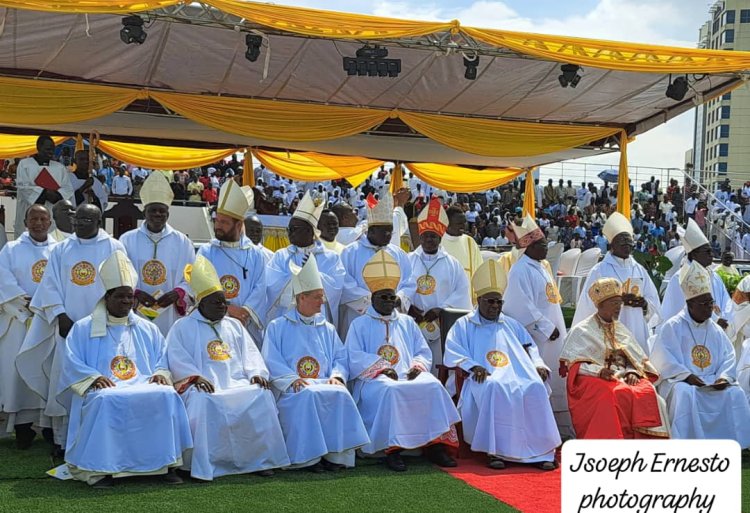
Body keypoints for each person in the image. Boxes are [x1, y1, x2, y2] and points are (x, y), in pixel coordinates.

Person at [57, 251, 193, 487]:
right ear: (107, 297)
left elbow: (162, 356)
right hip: (104, 386)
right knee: (104, 400)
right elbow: (71, 359)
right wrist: (92, 377)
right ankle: (102, 469)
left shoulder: (146, 327)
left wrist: (161, 373)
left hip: (142, 383)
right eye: (120, 297)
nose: (126, 302)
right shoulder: (84, 327)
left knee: (167, 395)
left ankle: (164, 465)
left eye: (130, 297)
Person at [166, 256, 289, 481]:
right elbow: (176, 358)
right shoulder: (182, 327)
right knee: (201, 400)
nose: (223, 307)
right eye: (217, 303)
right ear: (200, 303)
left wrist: (256, 374)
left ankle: (259, 460)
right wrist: (194, 377)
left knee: (261, 394)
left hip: (237, 383)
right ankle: (203, 463)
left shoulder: (234, 325)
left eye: (225, 302)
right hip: (204, 386)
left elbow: (252, 355)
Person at [17, 204, 125, 452]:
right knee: (65, 379)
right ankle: (62, 440)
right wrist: (59, 315)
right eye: (77, 218)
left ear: (99, 221)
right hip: (68, 326)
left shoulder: (114, 247)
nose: (78, 223)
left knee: (101, 380)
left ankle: (102, 437)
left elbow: (122, 284)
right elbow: (50, 285)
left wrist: (109, 315)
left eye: (86, 219)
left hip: (103, 327)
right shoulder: (60, 249)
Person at [346, 250, 460, 472]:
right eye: (384, 297)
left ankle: (435, 445)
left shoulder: (407, 322)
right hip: (374, 380)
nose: (389, 302)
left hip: (407, 373)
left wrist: (417, 366)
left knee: (433, 385)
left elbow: (422, 351)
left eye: (392, 297)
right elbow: (353, 356)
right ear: (373, 298)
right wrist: (381, 368)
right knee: (390, 391)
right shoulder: (359, 324)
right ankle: (393, 449)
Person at [444, 259, 561, 470]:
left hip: (516, 374)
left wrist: (538, 364)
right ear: (479, 300)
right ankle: (494, 451)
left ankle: (541, 452)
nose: (495, 306)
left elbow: (530, 346)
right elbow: (453, 350)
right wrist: (472, 366)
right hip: (483, 377)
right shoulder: (464, 325)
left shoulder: (511, 323)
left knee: (535, 386)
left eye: (499, 302)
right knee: (495, 388)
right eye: (490, 302)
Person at [262, 257, 369, 471]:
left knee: (340, 394)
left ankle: (335, 456)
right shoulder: (277, 326)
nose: (323, 302)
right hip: (295, 388)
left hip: (323, 381)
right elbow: (270, 359)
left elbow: (340, 357)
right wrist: (292, 380)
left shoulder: (327, 327)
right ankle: (308, 458)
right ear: (301, 297)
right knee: (308, 396)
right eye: (318, 297)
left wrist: (337, 376)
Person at [651, 262, 750, 446]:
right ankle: (687, 441)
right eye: (704, 304)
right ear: (690, 303)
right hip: (682, 381)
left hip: (713, 380)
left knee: (735, 393)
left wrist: (724, 377)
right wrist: (687, 376)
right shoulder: (673, 326)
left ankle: (738, 442)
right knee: (685, 394)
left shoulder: (714, 329)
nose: (709, 308)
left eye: (710, 303)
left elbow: (728, 356)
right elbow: (663, 359)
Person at [561, 278, 670, 439]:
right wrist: (599, 372)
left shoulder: (620, 328)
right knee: (615, 394)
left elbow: (633, 357)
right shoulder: (582, 330)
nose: (618, 308)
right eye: (614, 304)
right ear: (600, 305)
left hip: (622, 376)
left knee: (650, 392)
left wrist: (633, 371)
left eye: (619, 304)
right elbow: (573, 365)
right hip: (593, 379)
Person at [502, 215, 572, 437]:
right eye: (541, 245)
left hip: (555, 333)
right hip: (539, 340)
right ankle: (539, 431)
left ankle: (559, 430)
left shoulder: (541, 266)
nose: (546, 248)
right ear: (528, 246)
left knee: (559, 381)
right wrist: (545, 328)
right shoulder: (520, 270)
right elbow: (518, 306)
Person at [0, 205, 56, 447]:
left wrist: (46, 305)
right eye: (34, 218)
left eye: (44, 218)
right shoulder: (11, 249)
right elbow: (3, 279)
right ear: (25, 221)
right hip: (20, 320)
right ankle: (22, 426)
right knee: (18, 371)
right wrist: (27, 303)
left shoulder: (60, 249)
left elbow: (61, 281)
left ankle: (48, 425)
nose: (39, 223)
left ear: (50, 222)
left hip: (48, 320)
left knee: (46, 368)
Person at [572, 213, 661, 354]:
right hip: (609, 330)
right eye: (622, 240)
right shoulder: (600, 270)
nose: (626, 244)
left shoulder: (639, 269)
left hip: (636, 326)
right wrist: (618, 301)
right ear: (611, 245)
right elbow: (588, 305)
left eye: (629, 240)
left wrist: (644, 304)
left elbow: (653, 300)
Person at [120, 172, 195, 336]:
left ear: (168, 214)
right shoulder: (127, 240)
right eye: (153, 210)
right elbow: (120, 273)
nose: (157, 214)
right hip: (137, 308)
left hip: (169, 311)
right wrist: (136, 293)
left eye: (162, 211)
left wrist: (178, 293)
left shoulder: (182, 242)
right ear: (144, 212)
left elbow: (191, 276)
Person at [265, 192, 346, 329]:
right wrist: (296, 275)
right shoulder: (281, 255)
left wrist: (312, 273)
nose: (289, 233)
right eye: (288, 229)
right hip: (286, 318)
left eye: (294, 229)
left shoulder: (331, 257)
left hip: (317, 319)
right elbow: (270, 285)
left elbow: (336, 288)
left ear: (310, 232)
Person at [197, 180, 266, 341]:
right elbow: (201, 286)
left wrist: (245, 311)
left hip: (245, 323)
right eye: (217, 220)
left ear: (239, 224)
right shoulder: (207, 251)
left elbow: (260, 288)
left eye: (224, 222)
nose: (218, 226)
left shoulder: (254, 253)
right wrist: (228, 309)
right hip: (215, 322)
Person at [339, 194, 416, 339]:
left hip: (391, 316)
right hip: (359, 317)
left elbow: (409, 281)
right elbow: (345, 284)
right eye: (385, 231)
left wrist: (398, 298)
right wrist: (374, 302)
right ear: (371, 230)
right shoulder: (350, 252)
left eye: (390, 231)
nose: (389, 235)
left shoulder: (398, 253)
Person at [407, 198, 472, 370]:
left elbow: (462, 291)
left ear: (440, 237)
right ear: (420, 236)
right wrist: (408, 306)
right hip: (413, 322)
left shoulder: (452, 263)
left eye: (434, 236)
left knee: (438, 365)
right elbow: (400, 287)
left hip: (441, 325)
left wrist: (441, 310)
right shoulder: (408, 260)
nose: (430, 240)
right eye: (426, 236)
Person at [661, 219, 732, 330]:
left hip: (716, 331)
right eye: (707, 252)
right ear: (694, 254)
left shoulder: (714, 275)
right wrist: (715, 319)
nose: (711, 255)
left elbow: (726, 301)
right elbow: (681, 310)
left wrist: (725, 318)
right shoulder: (681, 278)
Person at [14, 135, 74, 238]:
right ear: (38, 147)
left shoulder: (59, 167)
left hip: (51, 215)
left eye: (52, 149)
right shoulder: (25, 164)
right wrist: (45, 193)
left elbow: (68, 189)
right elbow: (24, 187)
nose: (51, 152)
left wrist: (57, 195)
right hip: (30, 211)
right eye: (47, 149)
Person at [440, 206, 483, 299]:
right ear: (447, 224)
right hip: (442, 301)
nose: (464, 226)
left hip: (466, 302)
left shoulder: (469, 242)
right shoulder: (438, 243)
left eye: (464, 222)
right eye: (459, 223)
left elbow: (479, 270)